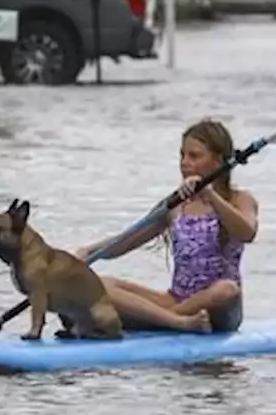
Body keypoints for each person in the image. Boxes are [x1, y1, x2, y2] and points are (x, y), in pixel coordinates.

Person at [75, 118, 259, 334]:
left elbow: (247, 232)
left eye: (194, 156)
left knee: (226, 289)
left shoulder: (240, 199)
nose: (184, 162)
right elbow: (129, 239)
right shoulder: (174, 204)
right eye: (182, 155)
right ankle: (177, 321)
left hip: (220, 306)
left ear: (218, 161)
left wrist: (210, 195)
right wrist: (88, 252)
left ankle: (158, 319)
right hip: (175, 300)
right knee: (99, 284)